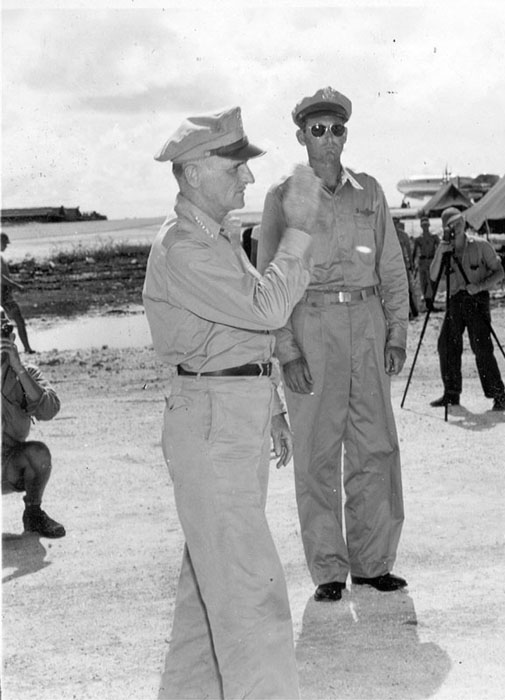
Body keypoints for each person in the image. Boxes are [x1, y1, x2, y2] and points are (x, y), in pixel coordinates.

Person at [143, 106, 318, 699]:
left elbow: (240, 331)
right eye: (234, 167)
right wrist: (298, 229)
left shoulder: (213, 240)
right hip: (213, 422)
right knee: (249, 595)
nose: (246, 180)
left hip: (227, 415)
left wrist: (269, 406)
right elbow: (267, 308)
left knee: (209, 592)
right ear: (192, 173)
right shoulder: (184, 247)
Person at [257, 86, 409, 603]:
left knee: (375, 448)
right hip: (311, 325)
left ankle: (372, 564)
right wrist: (288, 351)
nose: (328, 139)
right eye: (317, 130)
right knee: (318, 453)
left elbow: (391, 266)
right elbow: (267, 279)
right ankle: (327, 569)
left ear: (346, 134)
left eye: (336, 129)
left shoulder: (369, 192)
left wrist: (396, 332)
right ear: (301, 136)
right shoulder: (282, 197)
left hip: (366, 324)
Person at [428, 207, 505, 412]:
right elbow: (434, 275)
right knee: (446, 345)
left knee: (481, 348)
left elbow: (499, 273)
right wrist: (440, 251)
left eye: (460, 221)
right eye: (452, 224)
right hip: (455, 300)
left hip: (476, 300)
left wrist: (479, 287)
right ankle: (451, 394)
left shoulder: (481, 246)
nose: (458, 225)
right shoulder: (445, 249)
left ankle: (498, 396)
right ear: (447, 228)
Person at [2, 307, 64, 538]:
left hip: (7, 465)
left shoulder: (26, 373)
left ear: (11, 337)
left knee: (38, 454)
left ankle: (33, 513)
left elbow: (49, 410)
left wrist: (18, 368)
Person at [1, 232, 36, 354]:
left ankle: (24, 348)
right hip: (4, 296)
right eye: (5, 243)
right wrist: (16, 286)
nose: (6, 246)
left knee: (13, 322)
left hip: (5, 294)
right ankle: (26, 348)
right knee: (19, 321)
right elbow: (1, 278)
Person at [411, 217, 440, 311]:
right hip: (422, 261)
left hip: (431, 260)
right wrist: (412, 264)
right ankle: (427, 302)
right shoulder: (419, 239)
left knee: (431, 281)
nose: (425, 227)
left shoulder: (434, 237)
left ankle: (430, 302)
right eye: (423, 225)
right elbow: (414, 252)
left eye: (426, 225)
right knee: (423, 281)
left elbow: (439, 248)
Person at [394, 218, 420, 319]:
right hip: (393, 265)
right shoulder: (388, 235)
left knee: (407, 288)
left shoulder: (403, 235)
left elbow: (408, 250)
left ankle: (413, 310)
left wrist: (411, 264)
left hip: (402, 264)